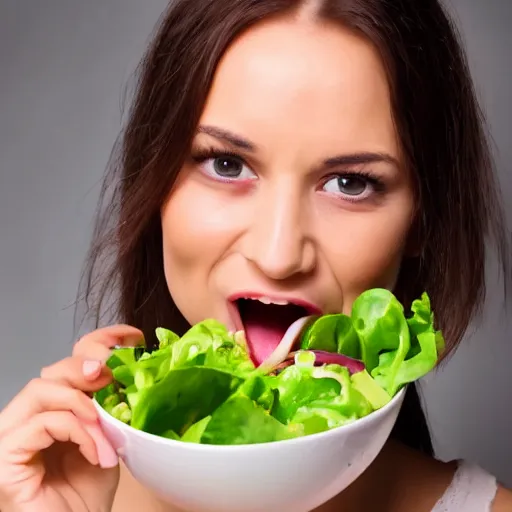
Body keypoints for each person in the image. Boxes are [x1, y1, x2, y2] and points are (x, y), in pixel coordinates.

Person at [0, 0, 511, 510]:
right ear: (154, 182)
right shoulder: (42, 492)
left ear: (423, 219)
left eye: (350, 183)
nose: (278, 255)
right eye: (226, 164)